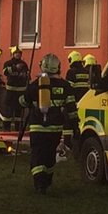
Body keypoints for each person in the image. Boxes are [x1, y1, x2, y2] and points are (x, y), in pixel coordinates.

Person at [18, 53, 78, 195]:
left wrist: (27, 92)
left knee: (37, 155)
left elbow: (22, 102)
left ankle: (39, 184)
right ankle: (47, 180)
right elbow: (71, 109)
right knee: (50, 155)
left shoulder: (36, 85)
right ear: (58, 68)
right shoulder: (65, 86)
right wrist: (75, 126)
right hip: (55, 129)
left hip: (37, 128)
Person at [2, 45, 30, 132]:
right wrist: (15, 68)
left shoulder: (24, 64)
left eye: (19, 53)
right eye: (16, 53)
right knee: (8, 110)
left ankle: (18, 128)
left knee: (19, 110)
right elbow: (5, 72)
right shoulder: (8, 63)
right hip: (11, 90)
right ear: (12, 54)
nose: (17, 55)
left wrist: (26, 76)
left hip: (21, 90)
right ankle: (6, 127)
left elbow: (28, 76)